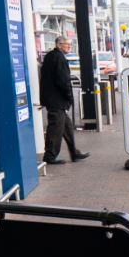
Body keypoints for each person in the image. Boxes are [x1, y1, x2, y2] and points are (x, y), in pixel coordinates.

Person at [39, 36, 88, 164]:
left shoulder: (51, 56)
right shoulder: (59, 58)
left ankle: (74, 152)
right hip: (56, 100)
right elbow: (63, 80)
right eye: (66, 44)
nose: (69, 46)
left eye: (70, 44)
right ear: (59, 45)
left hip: (54, 98)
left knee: (66, 126)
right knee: (55, 129)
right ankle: (49, 156)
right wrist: (69, 95)